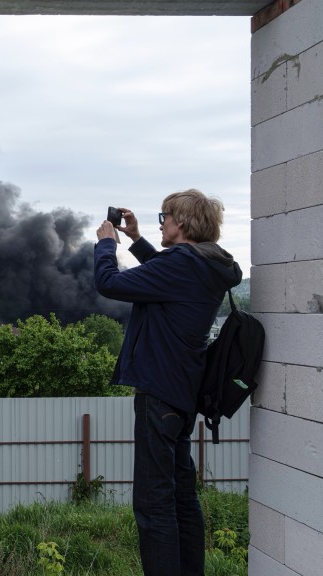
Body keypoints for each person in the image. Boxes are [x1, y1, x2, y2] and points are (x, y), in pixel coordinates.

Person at [93, 190, 242, 576]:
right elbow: (168, 278)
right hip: (182, 392)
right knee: (181, 496)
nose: (163, 224)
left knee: (154, 502)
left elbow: (109, 283)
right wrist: (138, 240)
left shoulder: (181, 264)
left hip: (158, 393)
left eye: (165, 217)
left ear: (182, 223)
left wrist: (107, 245)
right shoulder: (207, 264)